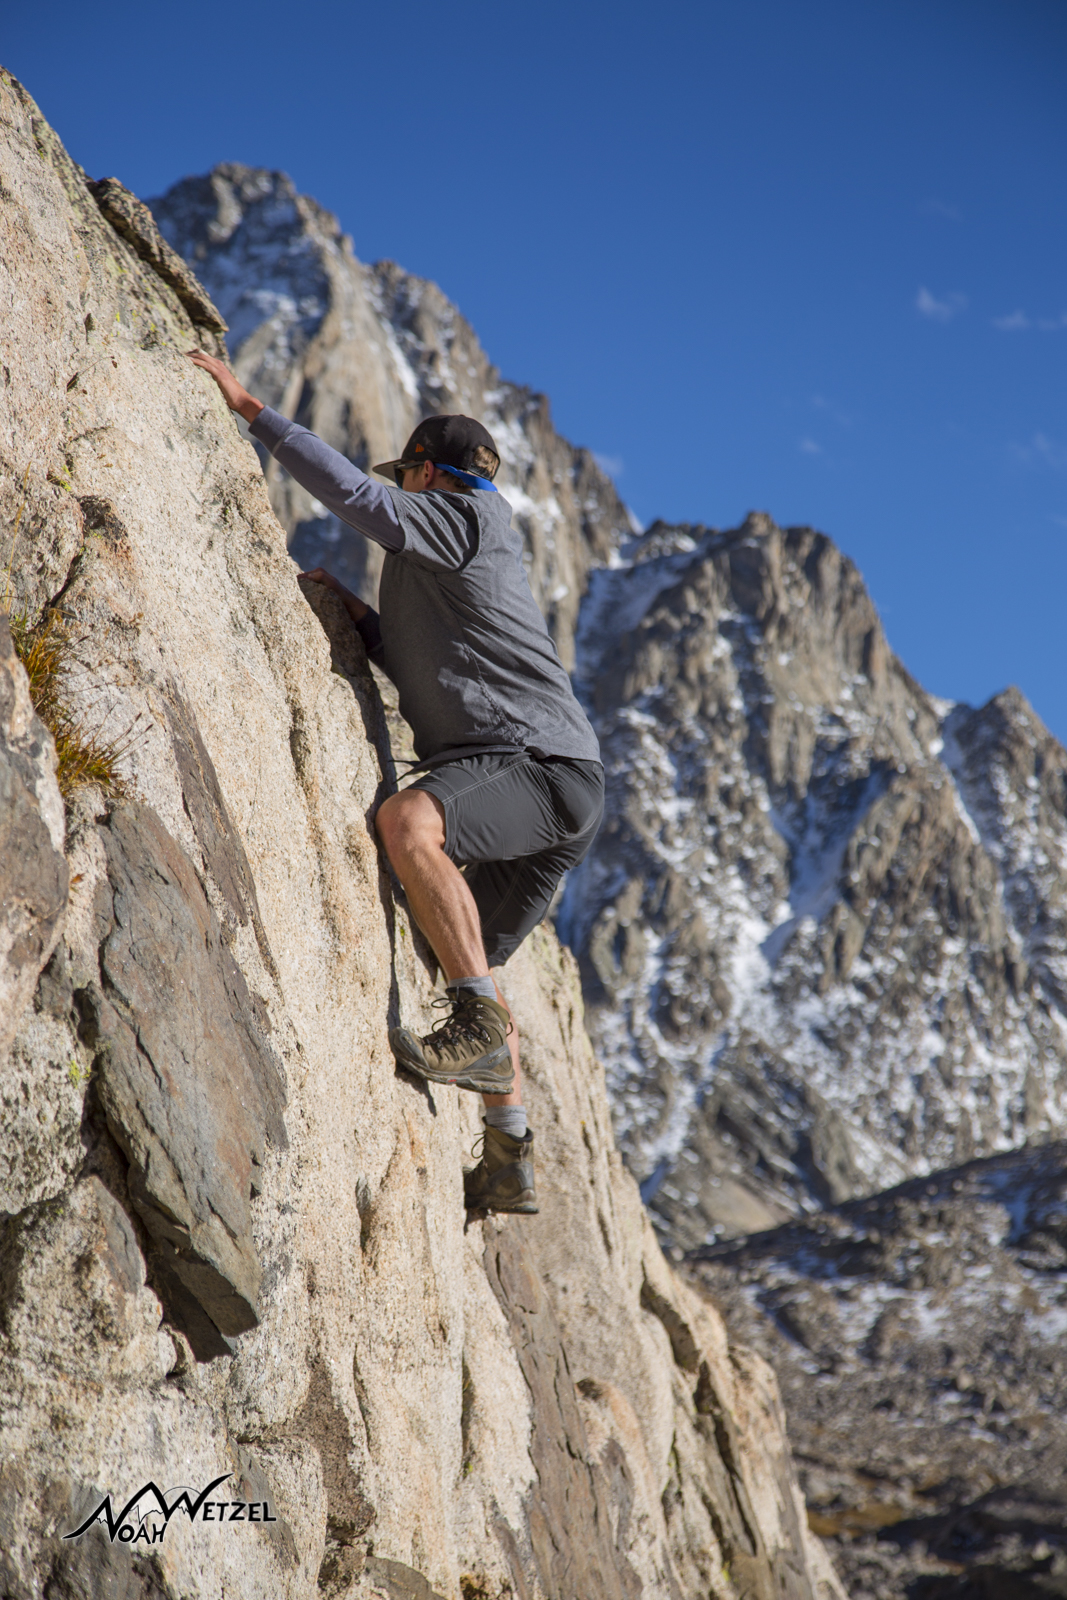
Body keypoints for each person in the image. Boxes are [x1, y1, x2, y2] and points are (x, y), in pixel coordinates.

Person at [187, 350, 604, 1215]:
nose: (401, 488)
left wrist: (253, 410)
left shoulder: (467, 518)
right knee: (459, 951)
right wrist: (364, 621)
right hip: (557, 788)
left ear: (426, 472)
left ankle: (482, 1039)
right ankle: (508, 1150)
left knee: (410, 826)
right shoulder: (440, 559)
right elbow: (432, 662)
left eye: (407, 474)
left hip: (533, 766)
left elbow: (360, 500)